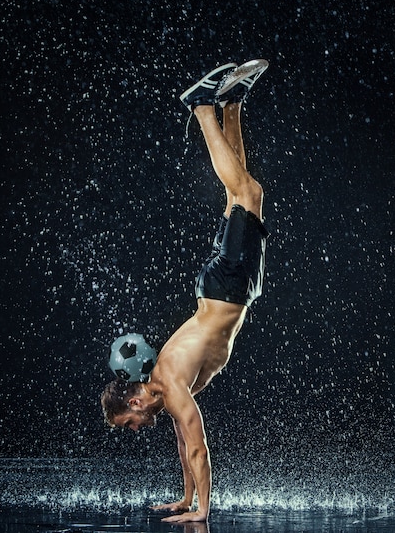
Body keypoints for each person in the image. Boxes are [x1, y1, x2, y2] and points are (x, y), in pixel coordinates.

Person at [101, 59, 270, 523]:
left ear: (134, 401)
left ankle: (200, 106)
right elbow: (183, 444)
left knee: (248, 194)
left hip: (226, 289)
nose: (135, 429)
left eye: (128, 423)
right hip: (230, 291)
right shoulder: (168, 394)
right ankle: (231, 103)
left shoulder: (169, 384)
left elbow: (199, 448)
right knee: (239, 196)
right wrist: (184, 498)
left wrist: (204, 512)